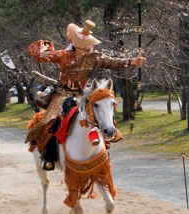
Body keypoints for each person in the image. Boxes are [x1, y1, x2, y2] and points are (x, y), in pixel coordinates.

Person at [26, 20, 146, 168]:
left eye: (89, 45)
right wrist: (44, 52)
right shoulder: (63, 55)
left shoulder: (95, 58)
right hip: (62, 94)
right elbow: (42, 56)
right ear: (77, 45)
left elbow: (112, 61)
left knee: (101, 115)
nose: (88, 48)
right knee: (50, 121)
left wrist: (133, 61)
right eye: (84, 46)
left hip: (83, 94)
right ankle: (49, 156)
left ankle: (103, 152)